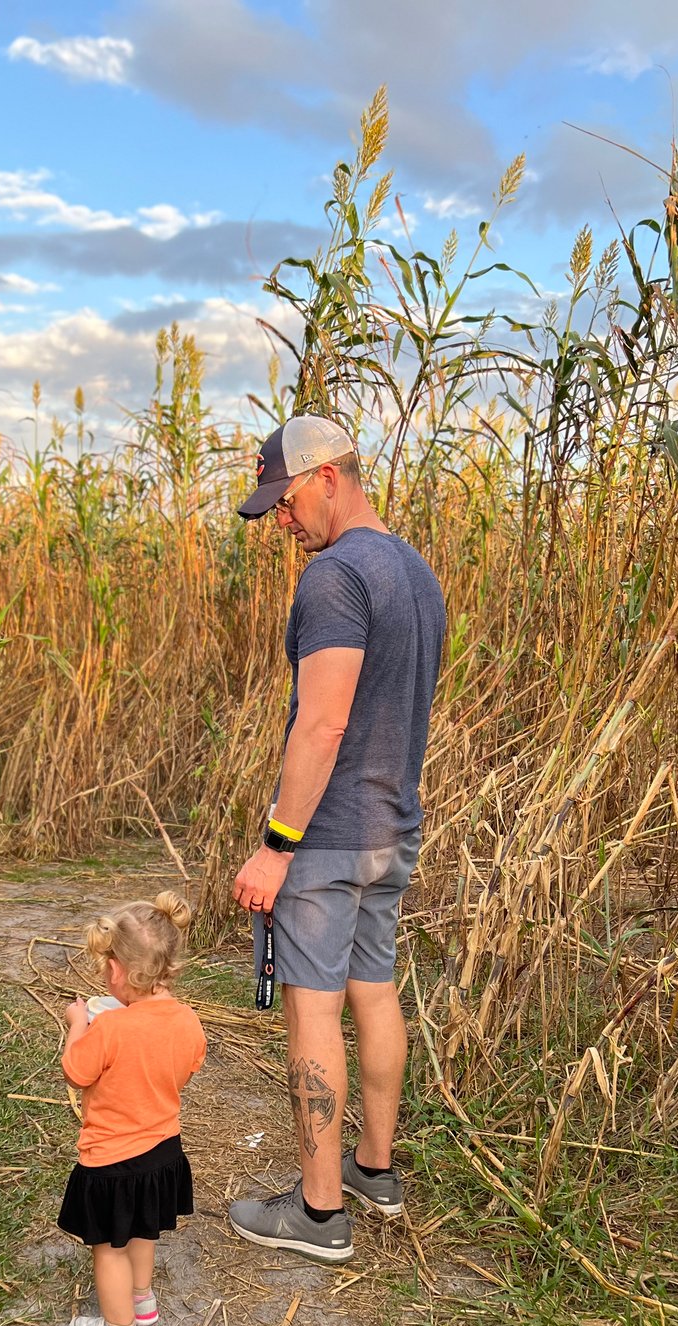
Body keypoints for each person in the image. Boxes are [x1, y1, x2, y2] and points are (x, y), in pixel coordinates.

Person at [227, 415, 445, 1263]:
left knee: (312, 1008)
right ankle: (373, 1170)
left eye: (284, 501)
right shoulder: (415, 573)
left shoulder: (334, 579)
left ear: (326, 476)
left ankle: (318, 1215)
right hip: (394, 828)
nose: (282, 521)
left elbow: (321, 725)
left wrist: (277, 847)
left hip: (328, 837)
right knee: (375, 991)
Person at [59, 892, 206, 1326]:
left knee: (109, 1249)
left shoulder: (109, 1029)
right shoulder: (187, 1020)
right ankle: (141, 1301)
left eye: (106, 965)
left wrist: (77, 1024)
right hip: (163, 1151)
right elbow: (190, 1063)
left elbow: (76, 1072)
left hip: (110, 1160)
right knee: (143, 1231)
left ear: (118, 971)